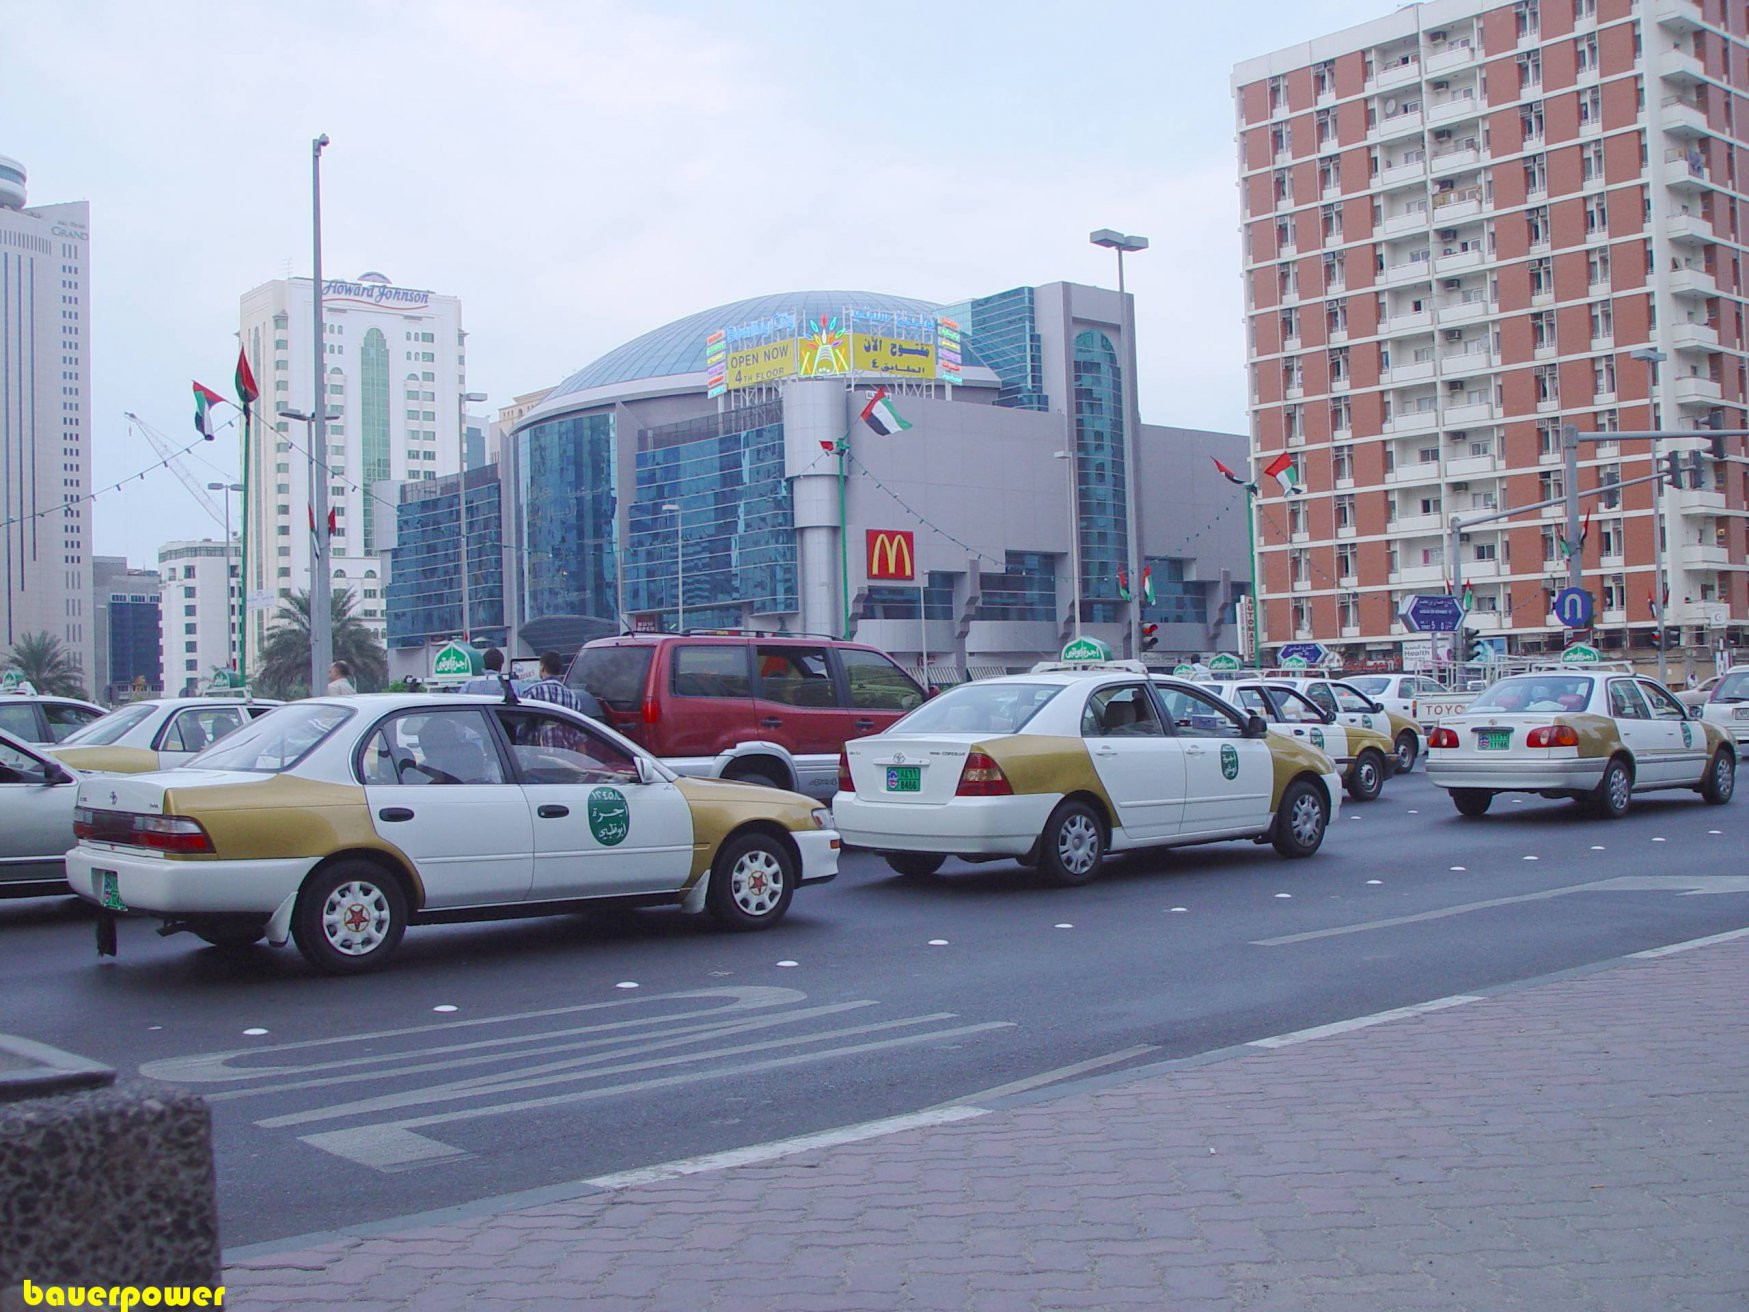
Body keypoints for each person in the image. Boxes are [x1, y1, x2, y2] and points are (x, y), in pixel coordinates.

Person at [523, 650, 603, 720]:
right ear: (560, 669)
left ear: (542, 667)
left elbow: (523, 725)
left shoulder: (533, 692)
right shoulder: (572, 697)